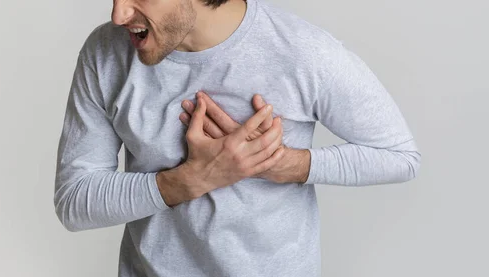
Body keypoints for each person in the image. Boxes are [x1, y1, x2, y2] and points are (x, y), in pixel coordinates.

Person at [53, 0, 422, 276]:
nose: (118, 14)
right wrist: (194, 179)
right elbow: (74, 201)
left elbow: (399, 156)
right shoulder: (104, 52)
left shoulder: (302, 52)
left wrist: (282, 164)